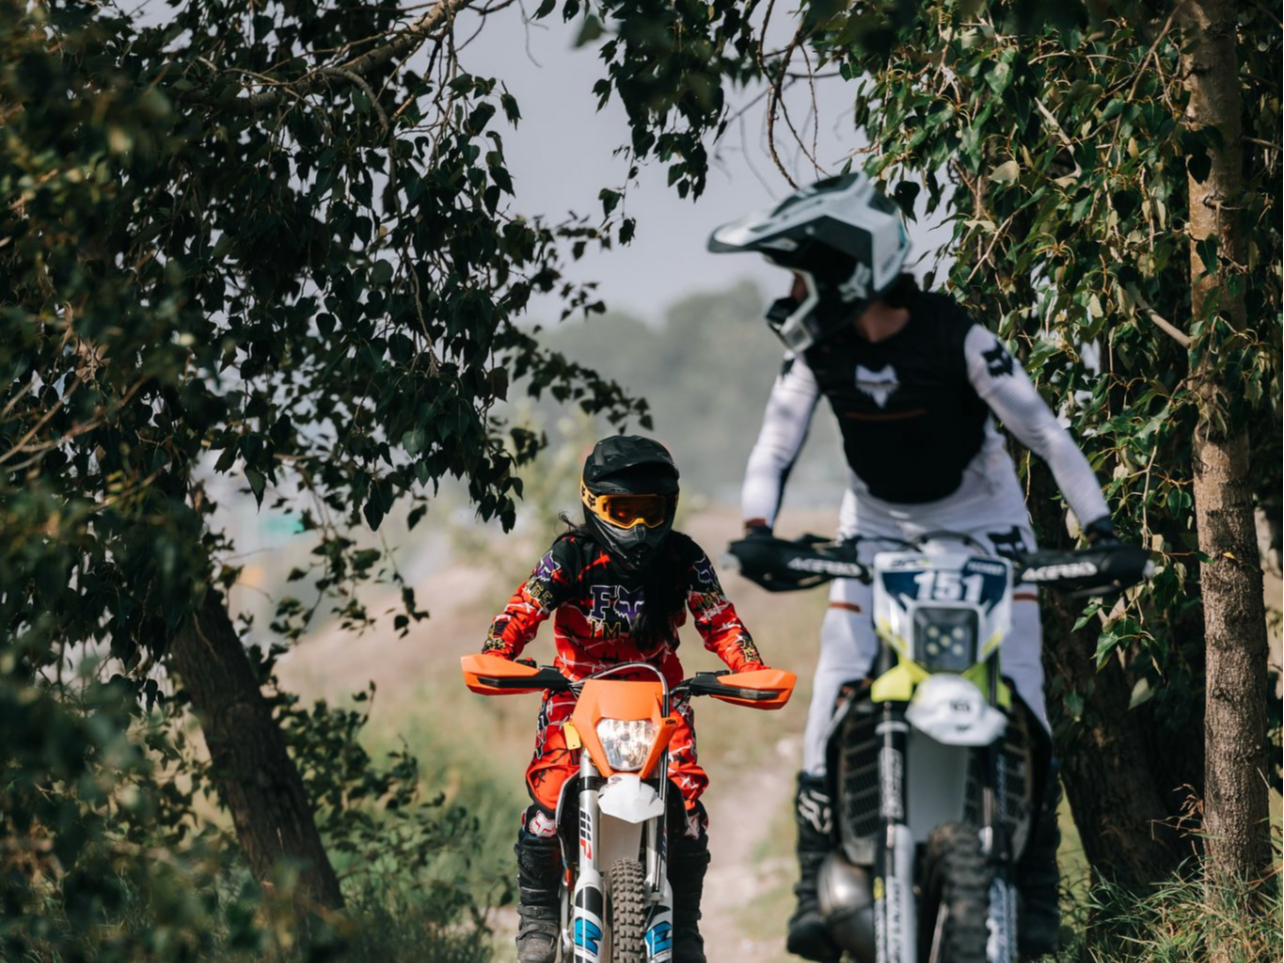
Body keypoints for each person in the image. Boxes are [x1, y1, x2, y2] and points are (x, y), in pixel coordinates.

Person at [708, 173, 1118, 960]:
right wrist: (759, 528)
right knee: (832, 698)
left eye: (801, 274)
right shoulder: (818, 351)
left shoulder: (955, 335)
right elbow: (774, 444)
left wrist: (1098, 526)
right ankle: (807, 888)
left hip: (987, 528)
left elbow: (1047, 433)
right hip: (876, 533)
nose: (792, 292)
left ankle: (1037, 896)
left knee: (1023, 704)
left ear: (846, 271)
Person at [481, 435, 771, 963]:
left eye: (649, 511)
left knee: (688, 811)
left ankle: (684, 929)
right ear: (594, 505)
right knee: (547, 805)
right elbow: (523, 609)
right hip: (576, 694)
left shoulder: (684, 557)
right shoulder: (571, 555)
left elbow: (720, 619)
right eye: (622, 510)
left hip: (660, 695)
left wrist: (750, 670)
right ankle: (539, 923)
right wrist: (497, 653)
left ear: (669, 509)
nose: (637, 527)